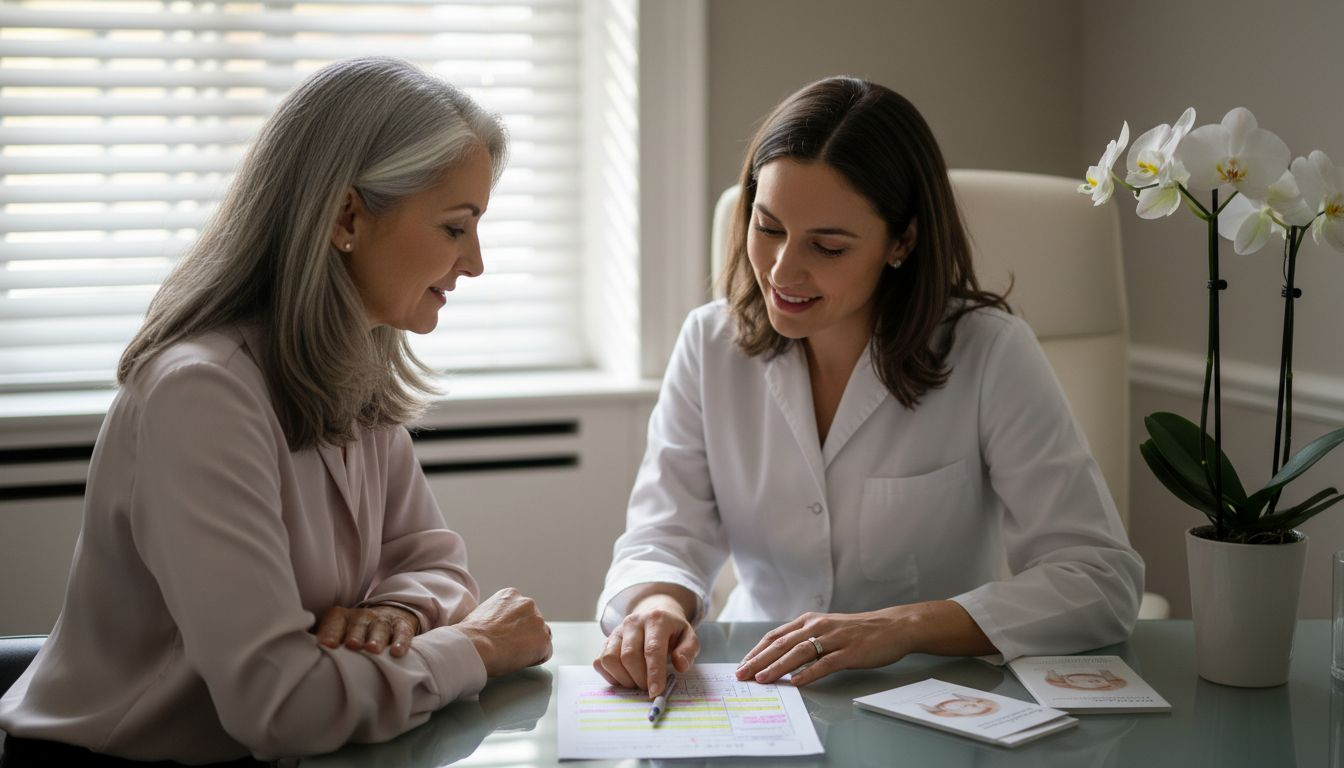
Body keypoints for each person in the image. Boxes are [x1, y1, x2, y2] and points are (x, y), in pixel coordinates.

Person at [0, 57, 552, 766]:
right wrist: (474, 646)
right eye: (454, 228)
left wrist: (396, 613)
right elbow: (283, 706)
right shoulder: (200, 396)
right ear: (347, 216)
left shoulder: (352, 364)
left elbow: (433, 562)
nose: (474, 263)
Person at [592, 76, 1144, 699]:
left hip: (933, 694)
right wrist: (658, 604)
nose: (781, 270)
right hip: (759, 688)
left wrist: (907, 626)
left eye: (826, 246)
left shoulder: (990, 353)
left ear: (902, 241)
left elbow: (1101, 579)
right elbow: (665, 533)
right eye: (768, 227)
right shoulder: (709, 344)